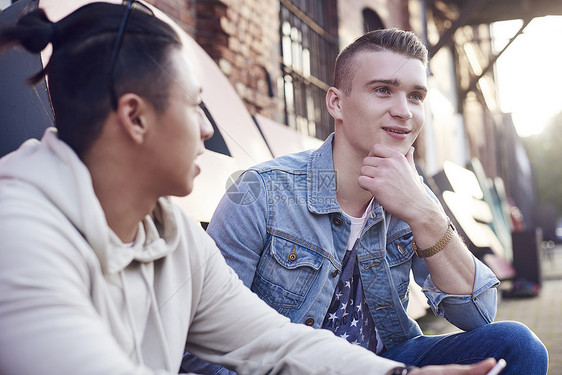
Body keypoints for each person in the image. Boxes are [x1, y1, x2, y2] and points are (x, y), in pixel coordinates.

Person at [0, 3, 505, 374]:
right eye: (194, 105)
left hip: (372, 355)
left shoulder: (173, 233)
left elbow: (270, 339)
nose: (206, 128)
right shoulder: (19, 234)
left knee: (515, 347)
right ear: (135, 117)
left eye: (415, 95)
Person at [188, 29, 548, 374]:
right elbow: (204, 345)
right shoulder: (263, 193)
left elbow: (479, 315)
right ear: (336, 102)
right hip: (289, 366)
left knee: (517, 345)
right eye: (383, 90)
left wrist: (425, 213)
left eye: (416, 96)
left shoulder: (413, 194)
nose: (404, 110)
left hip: (387, 362)